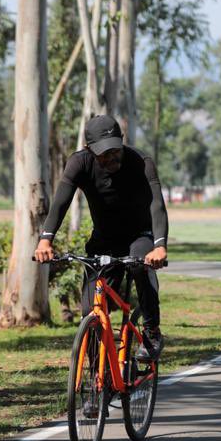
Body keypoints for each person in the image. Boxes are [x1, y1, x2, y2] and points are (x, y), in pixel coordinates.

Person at [34, 114, 168, 360]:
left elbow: (157, 205)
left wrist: (159, 246)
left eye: (115, 150)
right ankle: (98, 381)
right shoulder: (79, 163)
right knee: (90, 311)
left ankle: (152, 331)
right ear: (89, 149)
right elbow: (61, 202)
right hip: (104, 239)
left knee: (141, 265)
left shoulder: (141, 162)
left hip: (139, 236)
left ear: (122, 141)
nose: (111, 157)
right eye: (103, 153)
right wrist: (45, 240)